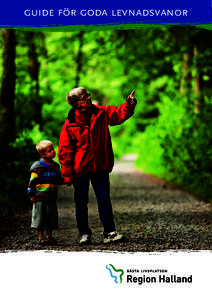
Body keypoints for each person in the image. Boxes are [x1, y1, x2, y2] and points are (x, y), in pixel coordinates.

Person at [58, 87, 137, 245]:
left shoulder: (102, 112)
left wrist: (128, 104)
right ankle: (84, 234)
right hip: (80, 168)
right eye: (83, 97)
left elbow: (119, 115)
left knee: (104, 199)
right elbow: (65, 151)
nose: (88, 98)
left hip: (100, 166)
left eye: (88, 95)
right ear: (75, 104)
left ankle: (110, 232)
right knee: (81, 203)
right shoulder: (70, 124)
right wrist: (67, 174)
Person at [28, 140, 63, 245]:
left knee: (51, 217)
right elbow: (32, 182)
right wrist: (31, 194)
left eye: (53, 149)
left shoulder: (56, 167)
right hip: (40, 198)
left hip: (51, 197)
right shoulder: (37, 168)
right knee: (40, 217)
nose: (53, 151)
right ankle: (41, 237)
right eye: (50, 150)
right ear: (42, 154)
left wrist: (67, 179)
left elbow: (58, 180)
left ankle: (49, 237)